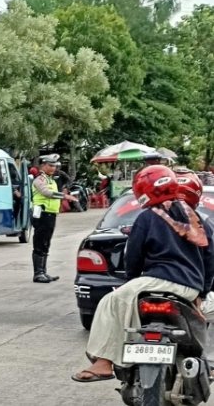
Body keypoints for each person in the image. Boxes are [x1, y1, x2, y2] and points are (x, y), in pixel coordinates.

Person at [72, 165, 214, 382]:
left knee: (111, 301)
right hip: (189, 288)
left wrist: (132, 281)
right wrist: (201, 293)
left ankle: (103, 362)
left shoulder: (148, 217)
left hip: (158, 281)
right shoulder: (198, 219)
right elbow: (209, 260)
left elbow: (133, 257)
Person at [30, 154, 77, 283]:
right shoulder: (39, 179)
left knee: (46, 243)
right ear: (42, 165)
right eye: (50, 165)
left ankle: (43, 272)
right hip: (42, 214)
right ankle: (38, 273)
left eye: (54, 166)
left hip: (50, 214)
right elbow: (45, 192)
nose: (53, 168)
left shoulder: (51, 180)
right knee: (40, 243)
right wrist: (64, 196)